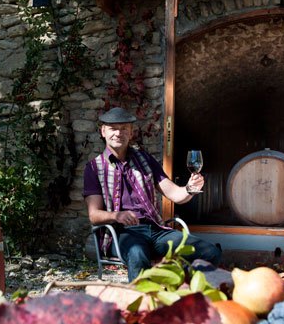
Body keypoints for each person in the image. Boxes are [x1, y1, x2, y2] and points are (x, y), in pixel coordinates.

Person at [83, 107, 222, 282]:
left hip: (155, 230)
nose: (119, 133)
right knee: (137, 253)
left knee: (209, 252)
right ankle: (143, 304)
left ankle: (187, 295)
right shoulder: (94, 168)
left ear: (131, 132)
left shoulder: (145, 160)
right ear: (103, 131)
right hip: (122, 234)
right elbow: (94, 215)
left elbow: (175, 194)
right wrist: (117, 215)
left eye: (124, 128)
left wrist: (190, 188)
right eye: (113, 128)